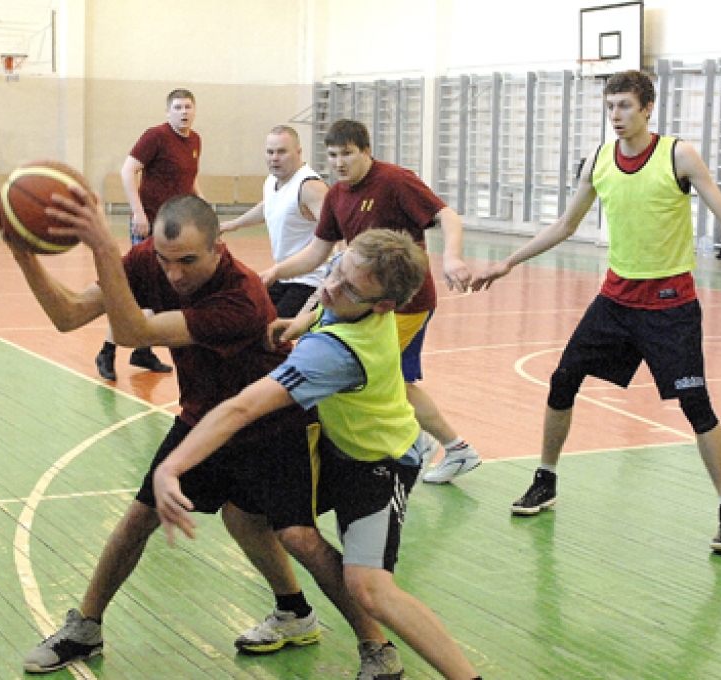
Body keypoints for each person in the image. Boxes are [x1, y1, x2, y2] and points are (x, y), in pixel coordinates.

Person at [4, 194, 392, 675]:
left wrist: (103, 247)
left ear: (217, 245)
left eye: (187, 261)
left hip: (269, 422)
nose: (174, 275)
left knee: (297, 536)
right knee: (141, 518)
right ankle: (87, 627)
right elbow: (68, 315)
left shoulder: (243, 297)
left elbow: (132, 332)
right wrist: (24, 255)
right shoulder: (151, 259)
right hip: (203, 419)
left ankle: (377, 647)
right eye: (165, 261)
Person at [472, 70, 721, 555]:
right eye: (610, 107)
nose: (616, 116)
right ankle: (546, 478)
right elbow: (566, 224)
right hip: (614, 302)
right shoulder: (600, 161)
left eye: (625, 106)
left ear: (648, 108)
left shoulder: (678, 155)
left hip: (671, 308)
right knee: (563, 380)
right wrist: (507, 262)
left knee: (697, 406)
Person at [154, 229, 482, 680]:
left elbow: (241, 407)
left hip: (379, 464)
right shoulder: (349, 303)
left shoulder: (334, 355)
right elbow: (330, 297)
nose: (331, 287)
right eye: (337, 269)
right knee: (244, 512)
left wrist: (171, 467)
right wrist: (301, 321)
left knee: (369, 587)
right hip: (337, 445)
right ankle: (294, 612)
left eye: (350, 287)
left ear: (383, 305)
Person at [261, 119, 481, 485]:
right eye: (332, 155)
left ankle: (420, 444)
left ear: (366, 151)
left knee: (368, 375)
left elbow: (447, 215)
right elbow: (317, 252)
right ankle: (447, 446)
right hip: (363, 302)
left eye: (347, 153)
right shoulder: (335, 196)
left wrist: (452, 257)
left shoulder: (394, 181)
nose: (339, 162)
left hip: (405, 304)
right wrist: (275, 273)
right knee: (398, 381)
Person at [95, 88, 206, 381]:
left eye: (188, 107)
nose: (184, 112)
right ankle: (107, 351)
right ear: (168, 112)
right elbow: (127, 171)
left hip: (177, 231)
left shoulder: (194, 140)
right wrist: (138, 212)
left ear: (195, 111)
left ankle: (142, 350)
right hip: (150, 226)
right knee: (134, 291)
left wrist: (202, 206)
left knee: (159, 293)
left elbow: (189, 180)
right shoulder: (155, 136)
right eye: (178, 107)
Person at [221, 125, 330, 318]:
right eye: (270, 152)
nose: (274, 158)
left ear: (298, 152)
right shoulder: (272, 180)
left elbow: (334, 230)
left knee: (277, 331)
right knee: (251, 317)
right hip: (285, 275)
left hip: (311, 281)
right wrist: (234, 224)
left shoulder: (310, 187)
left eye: (281, 152)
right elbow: (269, 206)